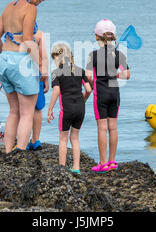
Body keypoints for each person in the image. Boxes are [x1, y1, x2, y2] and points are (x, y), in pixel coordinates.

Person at [0, 0, 50, 153]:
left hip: (4, 61)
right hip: (21, 61)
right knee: (27, 113)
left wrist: (7, 56)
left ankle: (9, 151)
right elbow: (27, 40)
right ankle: (21, 152)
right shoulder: (30, 8)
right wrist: (41, 67)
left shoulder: (8, 6)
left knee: (13, 111)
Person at [85, 19, 130, 173]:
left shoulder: (93, 55)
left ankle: (103, 162)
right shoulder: (119, 54)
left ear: (97, 37)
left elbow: (89, 76)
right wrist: (115, 73)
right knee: (113, 128)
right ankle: (112, 161)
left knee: (102, 129)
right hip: (115, 93)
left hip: (101, 94)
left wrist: (91, 82)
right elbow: (127, 75)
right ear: (113, 37)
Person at [47, 43, 92, 174]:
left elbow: (56, 91)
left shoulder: (56, 73)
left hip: (66, 109)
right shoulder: (80, 70)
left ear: (58, 57)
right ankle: (76, 167)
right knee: (75, 137)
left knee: (63, 139)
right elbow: (89, 89)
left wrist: (50, 109)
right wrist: (83, 99)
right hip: (80, 108)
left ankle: (62, 168)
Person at [27, 28, 49, 151]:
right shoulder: (39, 34)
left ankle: (23, 141)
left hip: (18, 72)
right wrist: (45, 75)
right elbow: (43, 56)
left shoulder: (13, 31)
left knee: (21, 108)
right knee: (37, 107)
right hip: (36, 73)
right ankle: (35, 140)